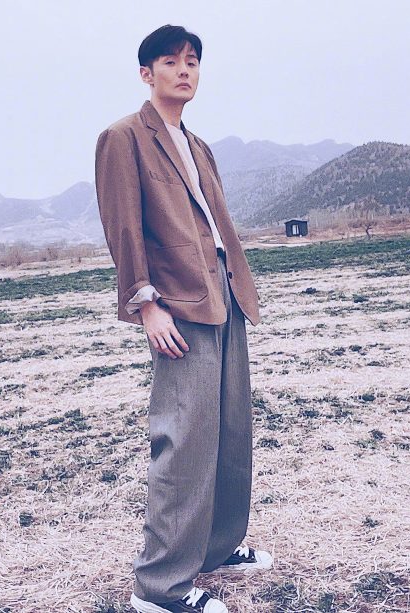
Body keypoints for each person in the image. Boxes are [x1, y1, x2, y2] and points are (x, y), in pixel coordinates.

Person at [94, 24, 273, 613]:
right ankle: (160, 587)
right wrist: (145, 304)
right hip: (174, 301)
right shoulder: (123, 137)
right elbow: (124, 228)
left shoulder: (198, 146)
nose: (184, 70)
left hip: (224, 292)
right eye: (171, 62)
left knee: (230, 430)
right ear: (147, 74)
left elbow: (215, 227)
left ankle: (217, 548)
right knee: (184, 439)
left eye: (192, 61)